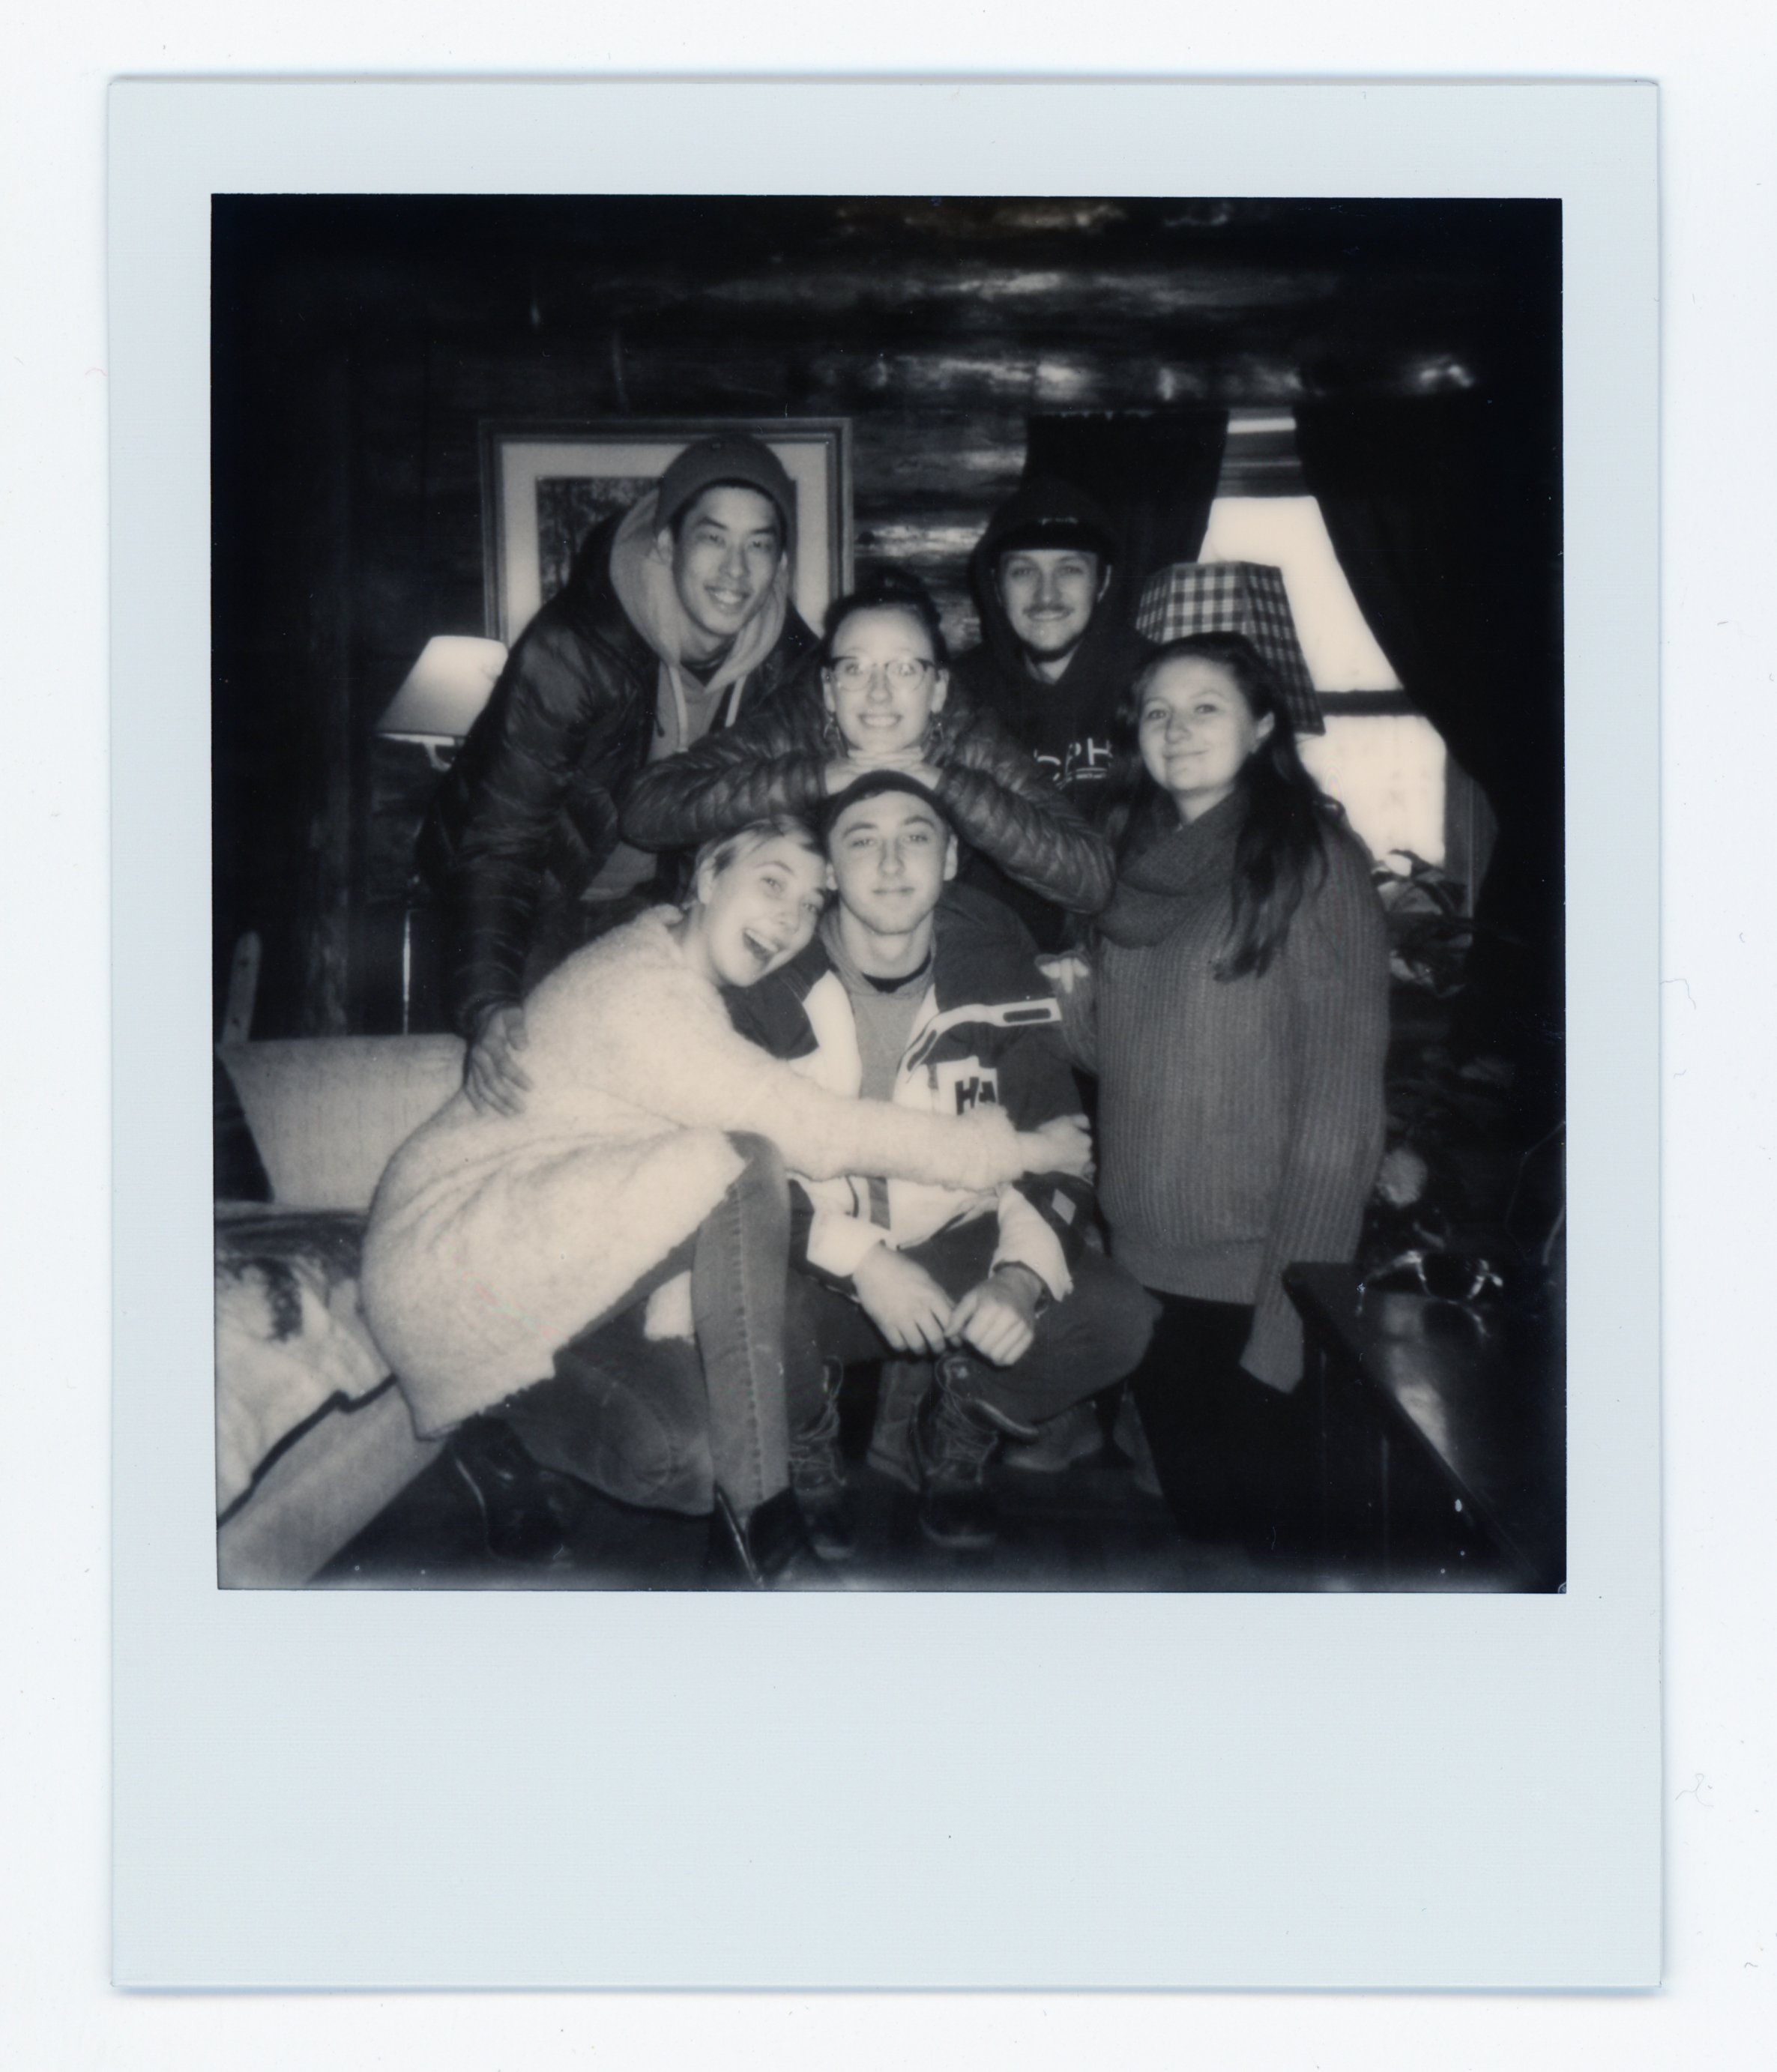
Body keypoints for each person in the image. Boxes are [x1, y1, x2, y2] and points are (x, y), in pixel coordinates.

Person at [361, 815, 1089, 1587]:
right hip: (447, 1256)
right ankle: (762, 1538)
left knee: (685, 1459)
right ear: (708, 877)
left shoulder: (677, 972)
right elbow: (817, 1130)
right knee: (744, 1160)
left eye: (811, 903)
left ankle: (492, 1426)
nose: (789, 919)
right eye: (771, 882)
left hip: (529, 1273)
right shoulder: (640, 995)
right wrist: (1015, 1148)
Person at [727, 773, 1156, 1552]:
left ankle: (956, 1410)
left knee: (1117, 1316)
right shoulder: (764, 985)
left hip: (954, 1241)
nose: (891, 863)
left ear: (952, 857)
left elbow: (1058, 1156)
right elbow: (732, 1168)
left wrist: (1018, 1280)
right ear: (828, 868)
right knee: (746, 1297)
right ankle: (804, 1437)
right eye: (862, 841)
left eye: (915, 837)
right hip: (815, 1263)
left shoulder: (1000, 979)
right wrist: (863, 1261)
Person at [1052, 632, 1390, 1559]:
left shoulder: (1312, 862)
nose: (1177, 727)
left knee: (1272, 1554)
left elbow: (1341, 1117)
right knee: (1202, 1525)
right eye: (1157, 710)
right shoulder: (1129, 862)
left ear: (1263, 724)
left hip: (1258, 1285)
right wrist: (1063, 985)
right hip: (1146, 1274)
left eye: (1206, 706)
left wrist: (1291, 1320)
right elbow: (1111, 1053)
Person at [418, 434, 819, 1116]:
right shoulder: (573, 648)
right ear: (666, 542)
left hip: (655, 899)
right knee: (533, 1083)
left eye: (758, 545)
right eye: (713, 538)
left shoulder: (790, 666)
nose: (734, 569)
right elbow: (501, 838)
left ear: (779, 563)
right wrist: (489, 999)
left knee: (667, 1084)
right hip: (532, 885)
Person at [619, 570, 1114, 925]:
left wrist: (946, 784)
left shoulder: (968, 736)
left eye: (903, 669)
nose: (878, 694)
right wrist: (813, 777)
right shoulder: (797, 722)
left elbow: (1090, 877)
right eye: (855, 669)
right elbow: (645, 808)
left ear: (938, 688)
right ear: (830, 689)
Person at [949, 478, 1153, 946]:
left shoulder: (1156, 687)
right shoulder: (956, 694)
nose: (1046, 594)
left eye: (1069, 570)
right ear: (996, 586)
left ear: (1103, 580)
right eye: (1023, 571)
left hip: (1128, 956)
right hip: (994, 961)